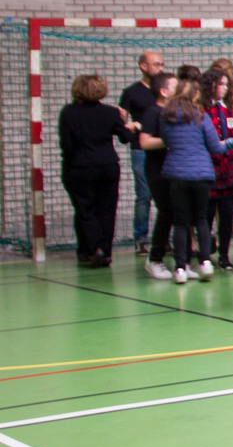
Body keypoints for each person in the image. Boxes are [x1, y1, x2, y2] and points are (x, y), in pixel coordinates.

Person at [157, 72, 231, 283]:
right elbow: (216, 148)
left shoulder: (166, 116)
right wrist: (232, 142)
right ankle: (205, 262)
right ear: (194, 95)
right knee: (200, 219)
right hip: (201, 174)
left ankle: (180, 268)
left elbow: (166, 141)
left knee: (180, 223)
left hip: (176, 174)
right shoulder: (201, 116)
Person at [60, 74, 135, 267]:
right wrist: (127, 124)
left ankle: (94, 248)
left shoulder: (68, 113)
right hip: (108, 165)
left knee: (85, 209)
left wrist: (69, 168)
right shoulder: (110, 112)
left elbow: (67, 146)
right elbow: (125, 138)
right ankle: (106, 251)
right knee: (107, 210)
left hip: (81, 166)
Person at [133, 72, 176, 279]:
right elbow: (144, 142)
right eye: (175, 86)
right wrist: (171, 140)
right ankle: (154, 258)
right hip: (157, 169)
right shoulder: (152, 112)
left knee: (178, 212)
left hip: (175, 168)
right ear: (164, 91)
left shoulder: (175, 111)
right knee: (166, 211)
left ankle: (183, 261)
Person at [121, 50, 165, 254]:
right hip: (141, 149)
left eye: (162, 64)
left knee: (165, 194)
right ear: (143, 66)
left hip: (164, 148)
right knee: (144, 194)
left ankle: (163, 238)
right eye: (156, 64)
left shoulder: (164, 91)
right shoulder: (131, 92)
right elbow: (122, 123)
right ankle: (140, 238)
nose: (160, 68)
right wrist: (134, 126)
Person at [201, 68, 233, 272]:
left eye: (227, 84)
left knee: (227, 213)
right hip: (208, 165)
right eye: (221, 84)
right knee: (207, 213)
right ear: (210, 85)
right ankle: (204, 254)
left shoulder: (230, 110)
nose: (225, 88)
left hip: (228, 166)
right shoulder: (201, 110)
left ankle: (224, 255)